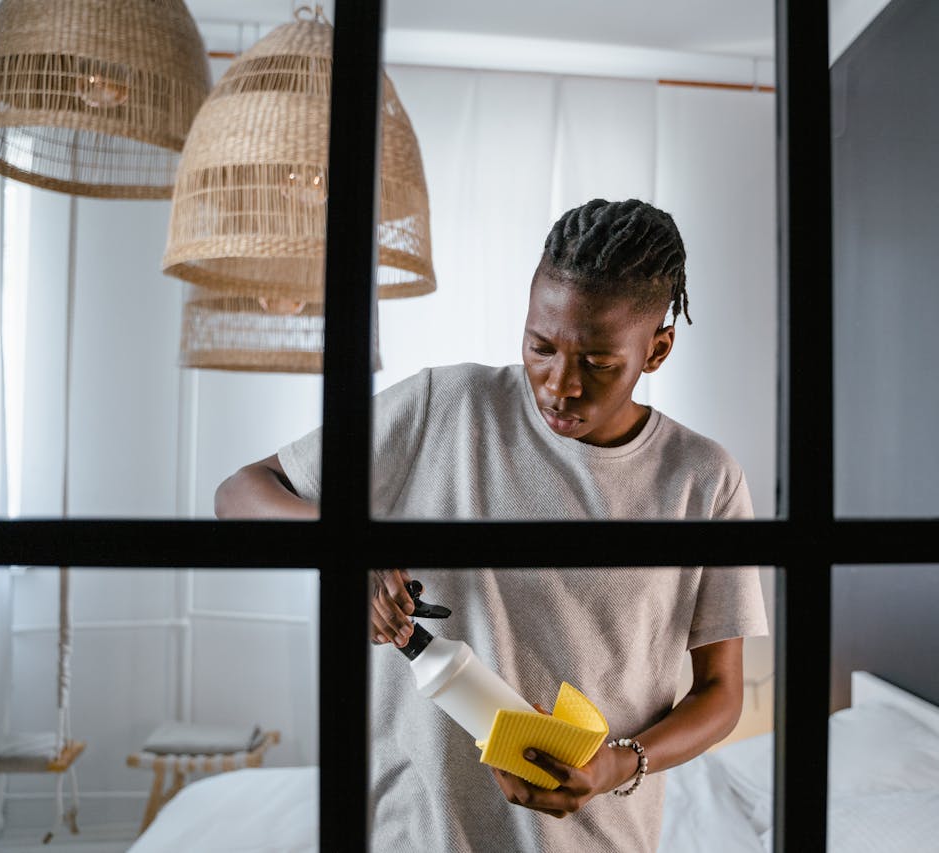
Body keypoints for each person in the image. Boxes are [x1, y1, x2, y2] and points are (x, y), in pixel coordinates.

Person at [214, 198, 768, 852]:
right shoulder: (445, 406)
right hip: (409, 832)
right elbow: (240, 492)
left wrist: (619, 762)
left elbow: (720, 693)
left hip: (594, 838)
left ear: (657, 349)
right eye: (540, 345)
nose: (559, 384)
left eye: (597, 363)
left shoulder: (703, 480)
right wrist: (345, 552)